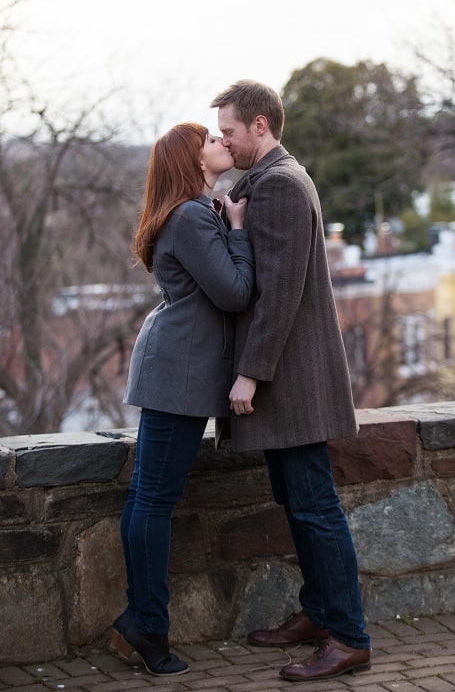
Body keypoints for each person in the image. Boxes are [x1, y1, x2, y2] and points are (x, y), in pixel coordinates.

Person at [210, 80, 371, 682]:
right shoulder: (272, 179)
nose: (224, 141)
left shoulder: (278, 184)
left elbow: (277, 293)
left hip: (289, 382)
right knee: (301, 506)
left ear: (260, 125)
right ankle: (319, 614)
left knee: (315, 507)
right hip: (290, 379)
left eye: (229, 131)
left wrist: (249, 374)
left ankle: (348, 637)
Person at [110, 122, 255, 677]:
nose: (222, 143)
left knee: (147, 498)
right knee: (153, 500)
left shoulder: (191, 211)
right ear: (193, 161)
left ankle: (139, 619)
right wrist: (238, 228)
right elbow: (234, 292)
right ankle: (149, 625)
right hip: (179, 372)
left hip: (175, 366)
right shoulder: (193, 216)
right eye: (211, 141)